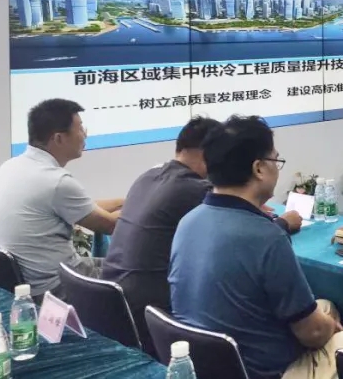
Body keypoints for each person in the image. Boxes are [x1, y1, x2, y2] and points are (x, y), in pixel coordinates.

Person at [170, 116, 343, 379]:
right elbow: (313, 333)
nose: (277, 170)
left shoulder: (188, 221)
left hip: (205, 365)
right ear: (259, 168)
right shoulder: (265, 236)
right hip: (269, 373)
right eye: (275, 161)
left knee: (325, 306)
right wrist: (327, 329)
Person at [102, 118, 306, 355]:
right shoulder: (194, 191)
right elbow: (250, 233)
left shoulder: (149, 176)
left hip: (121, 304)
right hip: (152, 315)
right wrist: (282, 223)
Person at [0, 99, 123, 297]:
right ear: (59, 138)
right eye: (80, 128)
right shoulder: (56, 182)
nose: (85, 134)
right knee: (134, 273)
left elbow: (85, 208)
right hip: (56, 287)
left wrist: (127, 201)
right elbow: (111, 225)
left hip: (16, 284)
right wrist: (148, 203)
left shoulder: (12, 166)